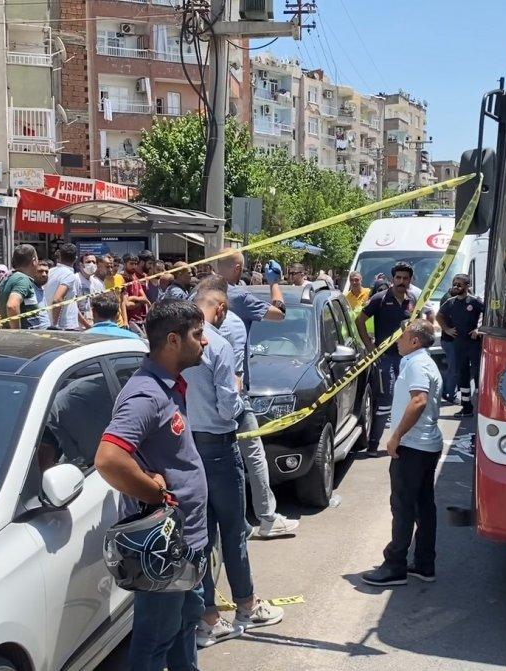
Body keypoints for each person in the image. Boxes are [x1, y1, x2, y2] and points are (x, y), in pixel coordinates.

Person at [94, 300, 210, 671]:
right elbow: (109, 459)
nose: (205, 342)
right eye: (198, 334)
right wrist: (155, 493)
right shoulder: (146, 394)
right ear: (173, 340)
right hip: (164, 551)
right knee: (154, 641)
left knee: (183, 625)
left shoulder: (169, 385)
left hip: (186, 543)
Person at [184, 286, 284, 648]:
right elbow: (228, 407)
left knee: (200, 534)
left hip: (186, 446)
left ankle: (208, 617)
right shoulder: (217, 344)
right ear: (220, 308)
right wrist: (241, 402)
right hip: (217, 447)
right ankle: (246, 606)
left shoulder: (175, 339)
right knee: (233, 531)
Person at [214, 251, 298, 538]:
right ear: (238, 268)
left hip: (201, 391)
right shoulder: (238, 299)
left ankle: (228, 520)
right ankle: (267, 518)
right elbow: (279, 314)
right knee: (253, 453)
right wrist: (275, 284)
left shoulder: (197, 296)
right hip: (237, 391)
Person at [360, 319, 445, 586]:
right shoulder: (420, 361)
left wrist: (396, 436)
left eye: (402, 336)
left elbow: (418, 400)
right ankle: (423, 563)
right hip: (423, 445)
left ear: (415, 341)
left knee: (404, 506)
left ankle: (395, 565)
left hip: (414, 447)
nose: (397, 340)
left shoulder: (418, 364)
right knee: (422, 505)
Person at [357, 262, 419, 456]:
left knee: (408, 399)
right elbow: (359, 320)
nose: (401, 282)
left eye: (405, 278)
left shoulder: (413, 299)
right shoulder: (380, 298)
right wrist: (370, 348)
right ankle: (373, 445)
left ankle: (403, 442)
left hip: (407, 359)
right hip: (384, 358)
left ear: (410, 280)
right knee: (385, 400)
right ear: (393, 279)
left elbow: (418, 323)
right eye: (398, 278)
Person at [436, 273, 484, 416]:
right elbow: (439, 316)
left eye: (459, 284)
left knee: (478, 374)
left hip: (474, 345)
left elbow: (488, 315)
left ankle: (482, 406)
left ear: (467, 286)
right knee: (462, 376)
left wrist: (478, 329)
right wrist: (446, 329)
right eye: (454, 284)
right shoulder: (450, 302)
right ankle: (466, 407)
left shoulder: (475, 301)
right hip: (458, 345)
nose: (456, 286)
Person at [0, 244, 45, 330]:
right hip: (25, 339)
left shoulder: (7, 278)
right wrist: (17, 334)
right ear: (34, 261)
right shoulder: (22, 279)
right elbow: (12, 306)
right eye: (37, 259)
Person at [46, 243, 83, 331]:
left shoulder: (50, 272)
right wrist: (55, 324)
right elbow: (57, 299)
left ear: (60, 257)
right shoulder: (69, 275)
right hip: (65, 327)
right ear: (75, 259)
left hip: (51, 322)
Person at [122, 253, 151, 334]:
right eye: (131, 263)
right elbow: (127, 305)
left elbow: (144, 298)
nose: (134, 266)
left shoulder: (136, 278)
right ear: (124, 264)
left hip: (140, 320)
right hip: (128, 323)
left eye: (135, 264)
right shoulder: (122, 279)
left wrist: (132, 298)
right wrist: (140, 302)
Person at [76, 252, 105, 326]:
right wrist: (86, 325)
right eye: (88, 262)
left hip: (94, 324)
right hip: (78, 326)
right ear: (81, 265)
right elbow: (73, 307)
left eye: (94, 262)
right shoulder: (75, 279)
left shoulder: (98, 283)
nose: (91, 264)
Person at [34, 261, 52, 330]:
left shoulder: (42, 288)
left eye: (46, 272)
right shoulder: (30, 288)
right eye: (40, 271)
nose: (44, 274)